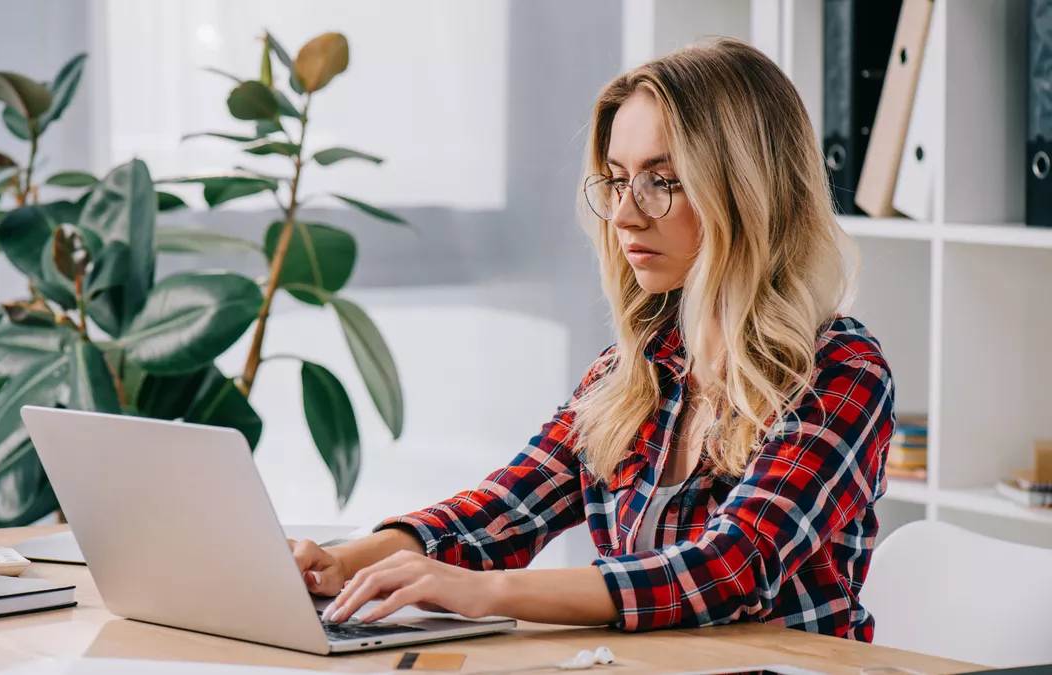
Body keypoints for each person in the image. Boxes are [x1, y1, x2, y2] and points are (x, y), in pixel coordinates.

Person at [291, 38, 894, 641]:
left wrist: (489, 593)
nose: (627, 215)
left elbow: (730, 567)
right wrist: (346, 561)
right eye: (616, 181)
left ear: (744, 191)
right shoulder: (636, 372)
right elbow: (503, 512)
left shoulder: (840, 371)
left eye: (662, 182)